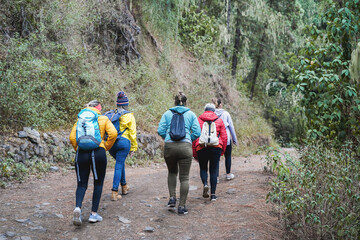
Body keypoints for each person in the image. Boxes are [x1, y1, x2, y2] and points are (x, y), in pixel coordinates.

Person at [69, 100, 117, 226]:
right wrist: (105, 147)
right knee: (98, 182)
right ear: (98, 109)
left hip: (81, 153)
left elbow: (72, 137)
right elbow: (113, 134)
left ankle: (78, 208)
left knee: (81, 183)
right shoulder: (103, 118)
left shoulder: (80, 119)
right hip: (98, 152)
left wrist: (78, 149)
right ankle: (94, 214)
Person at [157, 92, 201, 215]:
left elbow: (160, 130)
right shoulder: (191, 114)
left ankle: (172, 198)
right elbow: (197, 132)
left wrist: (167, 138)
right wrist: (188, 139)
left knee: (172, 172)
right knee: (184, 178)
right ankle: (181, 206)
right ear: (186, 102)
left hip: (169, 146)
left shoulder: (167, 113)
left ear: (175, 102)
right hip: (185, 147)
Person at [106, 91, 138, 201]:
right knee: (119, 165)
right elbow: (133, 134)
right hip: (123, 143)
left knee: (120, 163)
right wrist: (133, 148)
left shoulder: (111, 114)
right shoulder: (129, 116)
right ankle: (114, 191)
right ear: (126, 104)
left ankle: (124, 187)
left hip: (111, 144)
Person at [192, 103, 227, 201]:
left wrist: (195, 153)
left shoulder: (198, 120)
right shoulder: (219, 120)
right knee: (214, 170)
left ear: (204, 110)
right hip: (216, 147)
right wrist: (222, 151)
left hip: (201, 146)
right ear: (214, 111)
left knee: (203, 168)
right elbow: (224, 137)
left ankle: (206, 184)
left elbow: (195, 137)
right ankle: (213, 195)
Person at [212, 98, 238, 181]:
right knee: (228, 156)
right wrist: (234, 139)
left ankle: (216, 177)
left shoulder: (212, 114)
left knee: (216, 158)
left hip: (215, 138)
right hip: (226, 138)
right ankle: (228, 174)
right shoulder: (226, 114)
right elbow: (231, 127)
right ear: (220, 104)